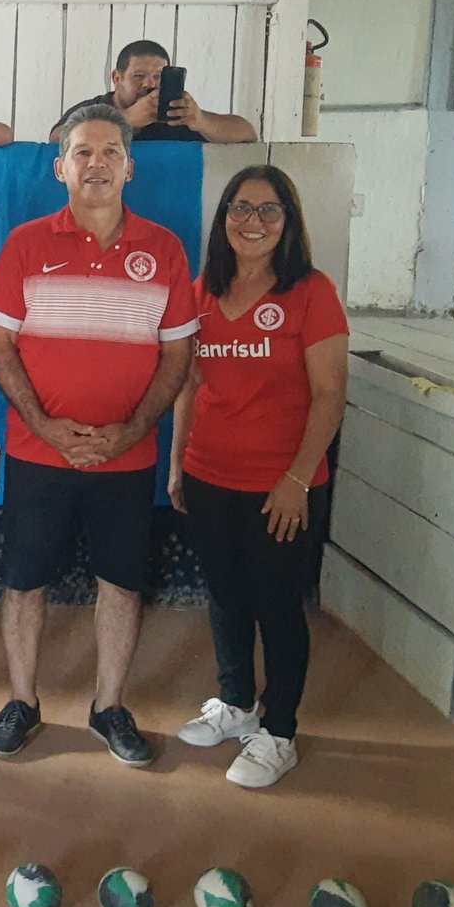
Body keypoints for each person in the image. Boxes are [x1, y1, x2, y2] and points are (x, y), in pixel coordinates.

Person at [0, 104, 197, 767]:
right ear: (61, 169)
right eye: (82, 152)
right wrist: (44, 425)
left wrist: (134, 429)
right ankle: (22, 702)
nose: (96, 163)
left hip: (127, 458)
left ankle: (109, 706)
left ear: (130, 167)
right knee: (24, 584)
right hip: (36, 453)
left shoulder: (165, 249)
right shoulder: (25, 244)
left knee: (121, 585)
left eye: (109, 152)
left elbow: (177, 355)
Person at [168, 165, 348, 788]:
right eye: (240, 208)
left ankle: (279, 732)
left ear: (288, 222)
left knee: (276, 604)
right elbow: (189, 385)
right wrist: (177, 463)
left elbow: (329, 395)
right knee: (226, 596)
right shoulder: (202, 292)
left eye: (269, 210)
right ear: (224, 219)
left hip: (282, 487)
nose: (253, 221)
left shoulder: (311, 292)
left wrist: (297, 479)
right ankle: (237, 703)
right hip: (210, 475)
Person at [49, 40, 257, 144]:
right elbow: (56, 139)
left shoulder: (176, 114)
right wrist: (125, 120)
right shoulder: (94, 109)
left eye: (158, 77)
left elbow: (247, 134)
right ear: (117, 78)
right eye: (138, 76)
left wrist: (200, 120)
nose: (149, 84)